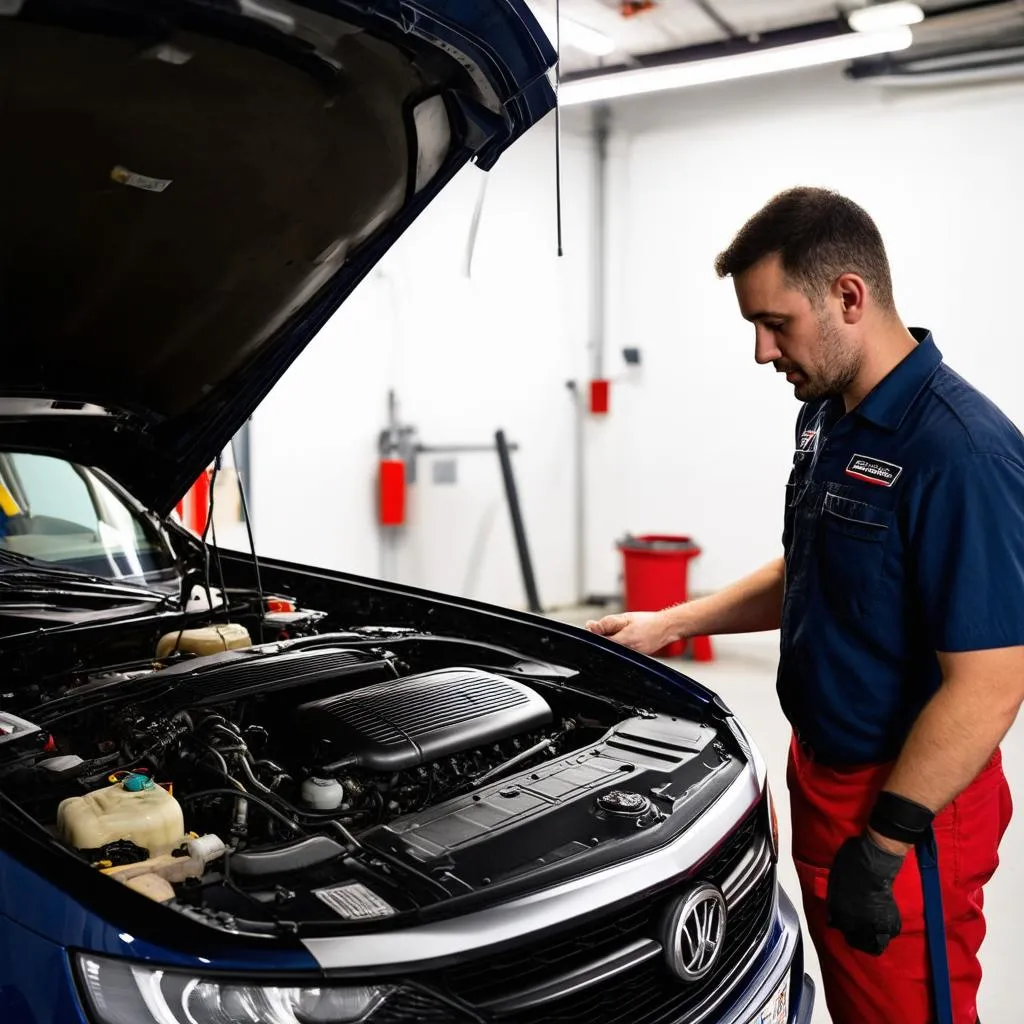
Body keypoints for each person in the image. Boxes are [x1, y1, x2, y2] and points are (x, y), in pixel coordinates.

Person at [586, 187, 1024, 1024]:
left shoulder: (960, 453)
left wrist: (886, 844)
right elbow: (815, 567)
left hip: (908, 807)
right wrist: (673, 621)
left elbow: (992, 681)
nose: (761, 350)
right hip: (823, 773)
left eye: (775, 322)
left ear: (848, 298)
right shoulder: (829, 417)